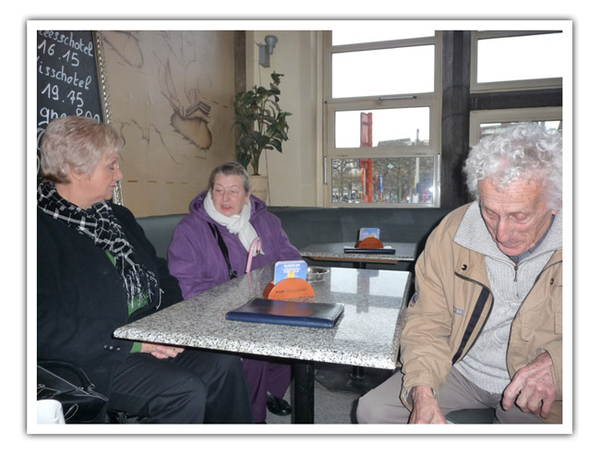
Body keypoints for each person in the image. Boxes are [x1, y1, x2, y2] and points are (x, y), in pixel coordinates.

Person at [37, 116, 253, 423]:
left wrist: (171, 325)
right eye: (111, 166)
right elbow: (40, 326)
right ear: (75, 169)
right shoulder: (36, 232)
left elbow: (161, 273)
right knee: (184, 391)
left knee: (224, 363)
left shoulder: (118, 216)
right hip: (93, 356)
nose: (119, 174)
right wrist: (136, 342)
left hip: (148, 332)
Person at [356, 122, 563, 424]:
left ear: (556, 202)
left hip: (541, 387)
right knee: (374, 411)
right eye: (490, 212)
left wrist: (559, 363)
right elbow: (428, 321)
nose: (502, 233)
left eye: (519, 216)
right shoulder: (451, 232)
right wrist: (422, 392)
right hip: (460, 369)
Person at [168, 162, 301, 423]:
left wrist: (280, 289)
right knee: (253, 345)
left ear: (248, 195)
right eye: (218, 190)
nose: (225, 198)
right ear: (210, 191)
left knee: (298, 334)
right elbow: (186, 284)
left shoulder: (267, 222)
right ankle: (250, 419)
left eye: (233, 191)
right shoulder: (190, 229)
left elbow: (290, 260)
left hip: (266, 304)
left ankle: (268, 391)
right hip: (216, 313)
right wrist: (237, 301)